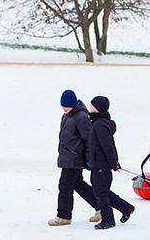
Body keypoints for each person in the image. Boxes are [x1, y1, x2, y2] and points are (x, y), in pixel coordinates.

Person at [48, 89, 101, 226]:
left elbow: (89, 140)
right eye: (63, 106)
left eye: (67, 106)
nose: (64, 109)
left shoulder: (81, 117)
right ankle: (100, 207)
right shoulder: (67, 116)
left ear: (73, 104)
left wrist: (89, 159)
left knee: (64, 186)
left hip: (74, 158)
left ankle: (63, 216)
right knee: (78, 184)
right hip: (67, 156)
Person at [87, 96, 134, 230]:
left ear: (98, 108)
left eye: (92, 105)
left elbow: (108, 146)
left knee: (101, 193)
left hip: (101, 164)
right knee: (101, 190)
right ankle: (126, 208)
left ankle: (108, 220)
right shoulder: (98, 122)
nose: (89, 106)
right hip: (97, 163)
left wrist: (114, 163)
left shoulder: (100, 124)